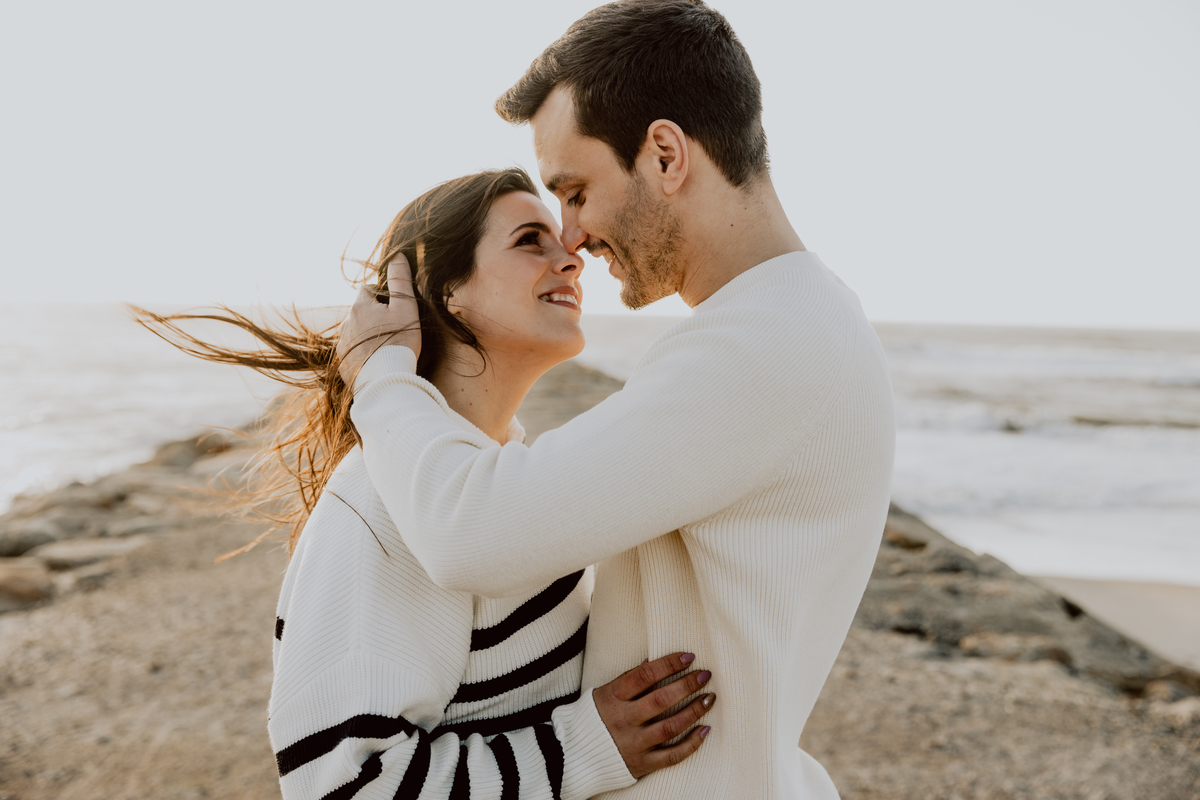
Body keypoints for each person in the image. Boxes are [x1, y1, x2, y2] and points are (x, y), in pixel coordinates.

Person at [335, 1, 896, 798]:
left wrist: (382, 379)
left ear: (666, 154)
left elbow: (475, 532)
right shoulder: (800, 319)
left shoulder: (763, 345)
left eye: (576, 191)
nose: (572, 237)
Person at [133, 168, 717, 799]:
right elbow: (340, 784)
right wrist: (584, 746)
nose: (571, 257)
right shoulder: (382, 501)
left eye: (561, 239)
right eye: (530, 240)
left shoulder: (499, 480)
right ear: (444, 294)